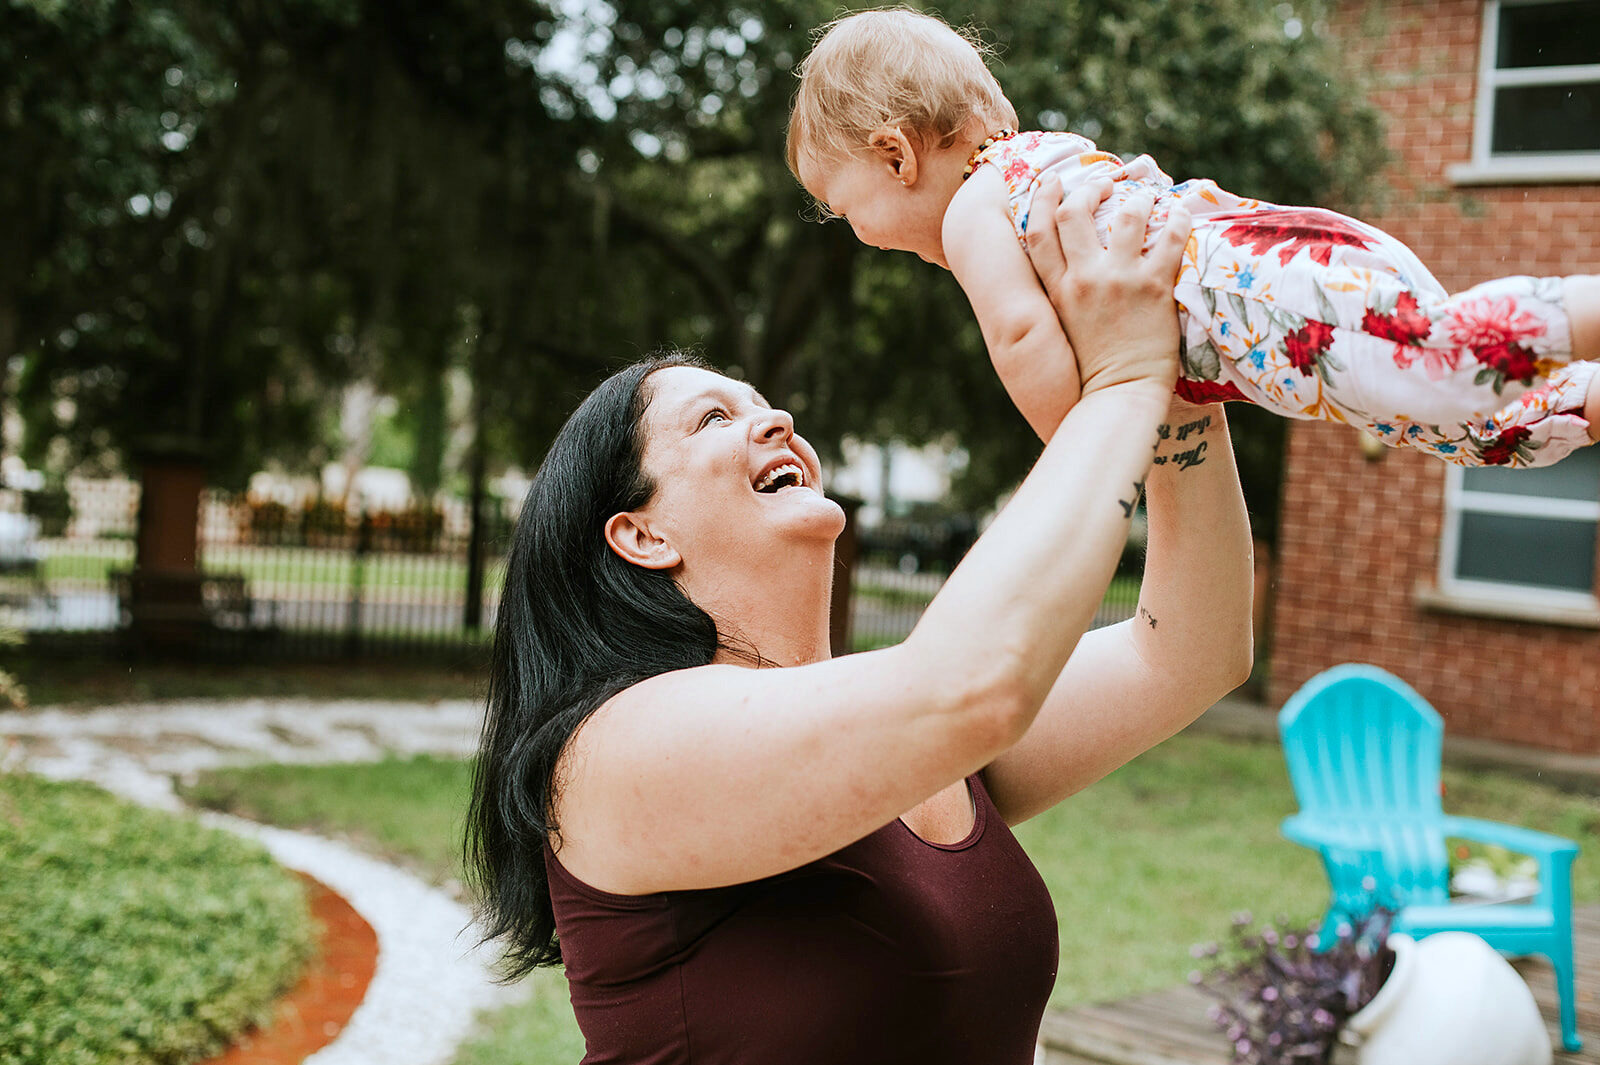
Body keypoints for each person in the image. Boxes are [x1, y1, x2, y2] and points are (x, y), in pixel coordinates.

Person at [464, 179, 1253, 1064]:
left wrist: (1183, 386)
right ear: (641, 533)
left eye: (764, 400)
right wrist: (1119, 383)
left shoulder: (903, 734)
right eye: (716, 417)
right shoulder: (618, 751)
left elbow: (1188, 648)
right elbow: (969, 686)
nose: (779, 419)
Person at [786, 7, 1600, 469]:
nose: (856, 235)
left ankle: (1582, 309)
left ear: (896, 154)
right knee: (1466, 424)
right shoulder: (1042, 164)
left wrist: (1081, 448)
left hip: (1256, 285)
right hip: (1277, 268)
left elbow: (1020, 331)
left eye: (842, 207)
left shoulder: (973, 207)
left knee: (1446, 363)